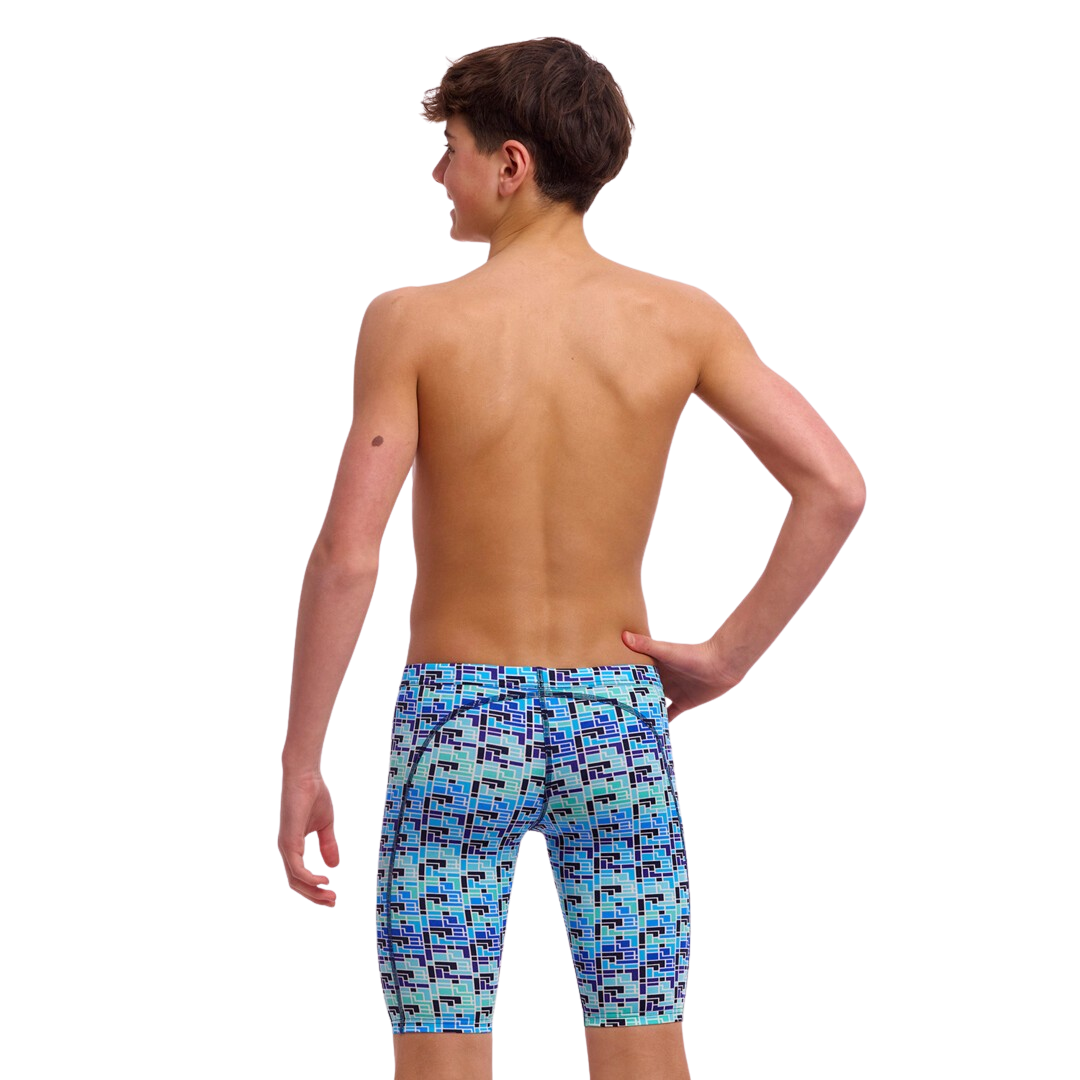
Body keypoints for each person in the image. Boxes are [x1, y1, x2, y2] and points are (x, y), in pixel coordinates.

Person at [278, 35, 865, 1080]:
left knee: (440, 1052)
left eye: (453, 149)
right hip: (613, 719)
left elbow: (346, 557)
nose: (438, 174)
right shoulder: (680, 320)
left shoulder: (412, 322)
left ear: (512, 164)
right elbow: (834, 486)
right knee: (644, 1047)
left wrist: (300, 759)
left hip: (458, 722)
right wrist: (725, 659)